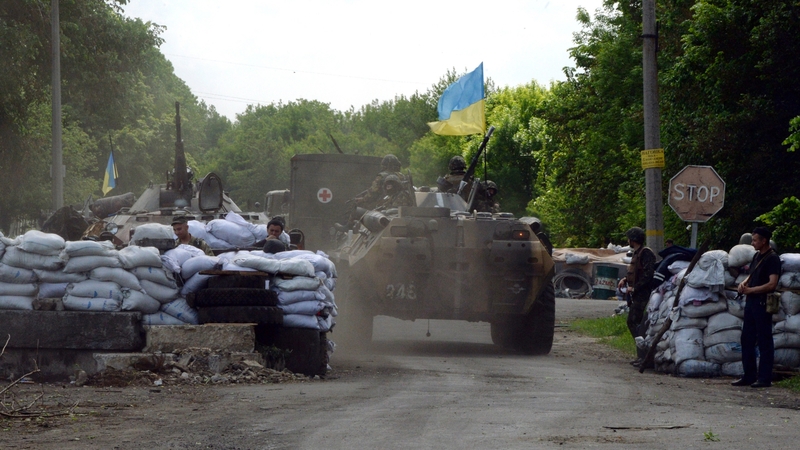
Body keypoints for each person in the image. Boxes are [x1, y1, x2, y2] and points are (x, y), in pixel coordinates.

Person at [732, 226, 781, 388]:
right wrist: (744, 283)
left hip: (762, 302)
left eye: (755, 240)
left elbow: (772, 284)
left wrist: (751, 290)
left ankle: (764, 378)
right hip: (751, 302)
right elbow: (752, 274)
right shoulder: (757, 257)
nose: (752, 243)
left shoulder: (773, 259)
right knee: (747, 338)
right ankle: (749, 375)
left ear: (764, 240)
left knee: (764, 340)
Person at [616, 226, 656, 366]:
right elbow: (636, 271)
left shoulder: (646, 253)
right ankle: (641, 355)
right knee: (635, 322)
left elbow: (648, 274)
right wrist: (626, 280)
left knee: (633, 322)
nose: (628, 240)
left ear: (633, 239)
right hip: (636, 293)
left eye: (629, 238)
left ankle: (645, 355)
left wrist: (635, 287)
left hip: (643, 293)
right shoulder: (637, 253)